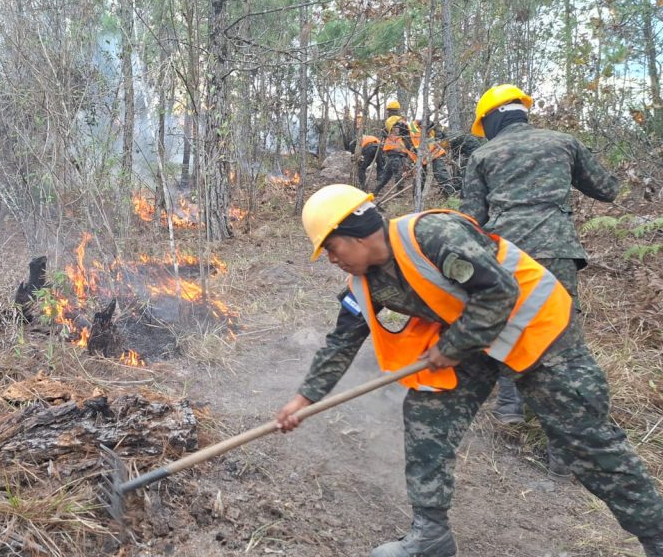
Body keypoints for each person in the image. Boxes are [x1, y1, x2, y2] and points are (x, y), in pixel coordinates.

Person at [276, 184, 663, 557]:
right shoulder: (362, 284)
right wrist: (303, 398)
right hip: (473, 341)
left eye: (330, 247)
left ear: (356, 233)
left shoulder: (431, 234)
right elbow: (340, 343)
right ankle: (430, 537)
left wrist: (452, 346)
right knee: (428, 414)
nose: (331, 259)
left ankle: (657, 534)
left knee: (587, 443)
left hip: (536, 329)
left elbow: (499, 292)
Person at [461, 84, 620, 480]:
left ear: (492, 118)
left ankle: (510, 404)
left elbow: (471, 222)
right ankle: (564, 457)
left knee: (506, 323)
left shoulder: (482, 154)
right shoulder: (564, 143)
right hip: (556, 252)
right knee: (561, 343)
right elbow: (608, 189)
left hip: (507, 255)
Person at [375, 116, 415, 195]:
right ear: (392, 128)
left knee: (394, 174)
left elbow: (408, 133)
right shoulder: (390, 135)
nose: (398, 129)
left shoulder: (401, 137)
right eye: (396, 127)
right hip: (392, 157)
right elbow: (386, 130)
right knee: (388, 175)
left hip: (397, 157)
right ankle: (377, 190)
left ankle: (398, 191)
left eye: (398, 128)